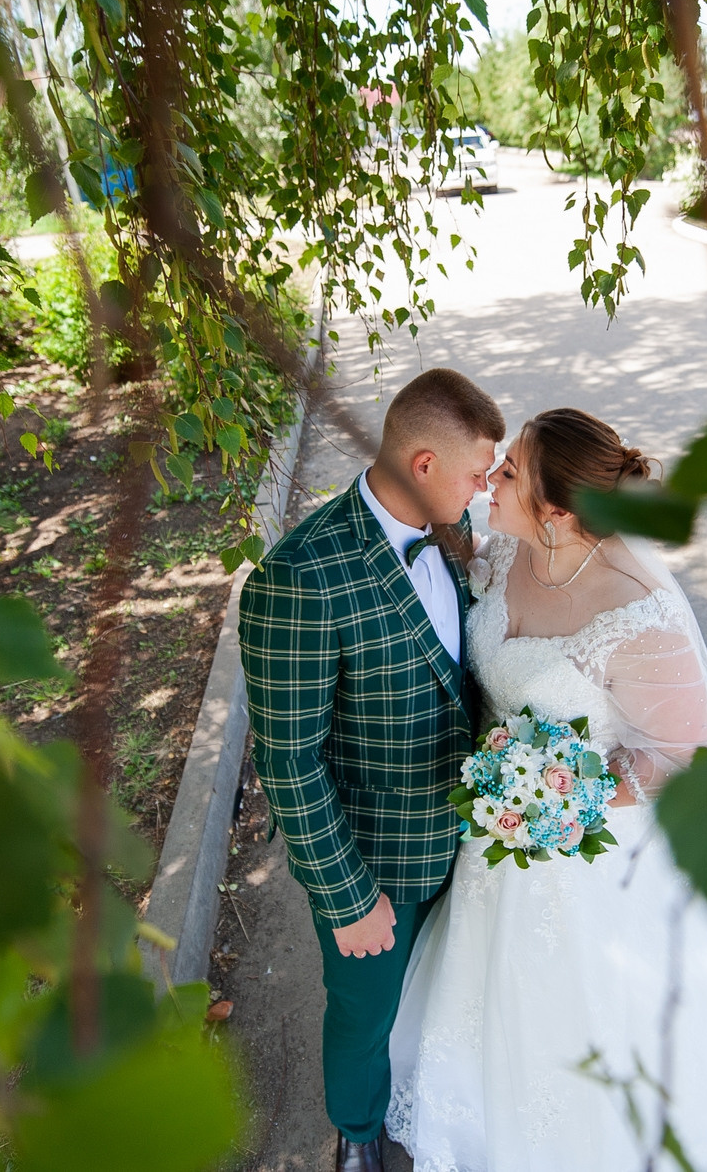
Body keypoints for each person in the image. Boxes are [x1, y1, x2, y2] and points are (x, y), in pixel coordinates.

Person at [387, 408, 707, 1172]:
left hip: (597, 854)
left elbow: (684, 754)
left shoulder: (636, 607)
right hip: (504, 846)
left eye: (510, 470)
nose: (492, 477)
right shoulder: (509, 553)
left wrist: (560, 801)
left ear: (557, 510)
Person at [238, 367, 504, 1172]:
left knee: (444, 997)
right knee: (365, 1011)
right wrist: (351, 899)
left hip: (467, 836)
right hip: (375, 863)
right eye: (476, 472)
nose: (486, 488)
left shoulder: (447, 529)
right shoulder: (301, 577)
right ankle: (357, 1137)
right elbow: (288, 759)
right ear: (424, 465)